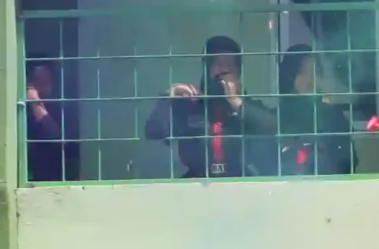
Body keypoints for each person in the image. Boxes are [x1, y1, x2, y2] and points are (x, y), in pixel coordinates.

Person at [142, 34, 273, 178]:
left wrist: (237, 102)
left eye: (231, 64)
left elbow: (273, 129)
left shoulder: (248, 106)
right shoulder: (191, 104)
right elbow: (153, 131)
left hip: (240, 180)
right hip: (196, 181)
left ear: (239, 71)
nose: (225, 69)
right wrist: (169, 97)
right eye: (218, 63)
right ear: (207, 68)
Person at [274, 46, 357, 176]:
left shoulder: (334, 115)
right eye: (302, 72)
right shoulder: (277, 117)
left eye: (316, 71)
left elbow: (349, 161)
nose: (310, 78)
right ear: (290, 76)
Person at [24, 60, 73, 182]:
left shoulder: (62, 108)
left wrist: (36, 104)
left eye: (46, 80)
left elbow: (57, 141)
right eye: (38, 80)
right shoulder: (22, 111)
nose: (44, 85)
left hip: (55, 176)